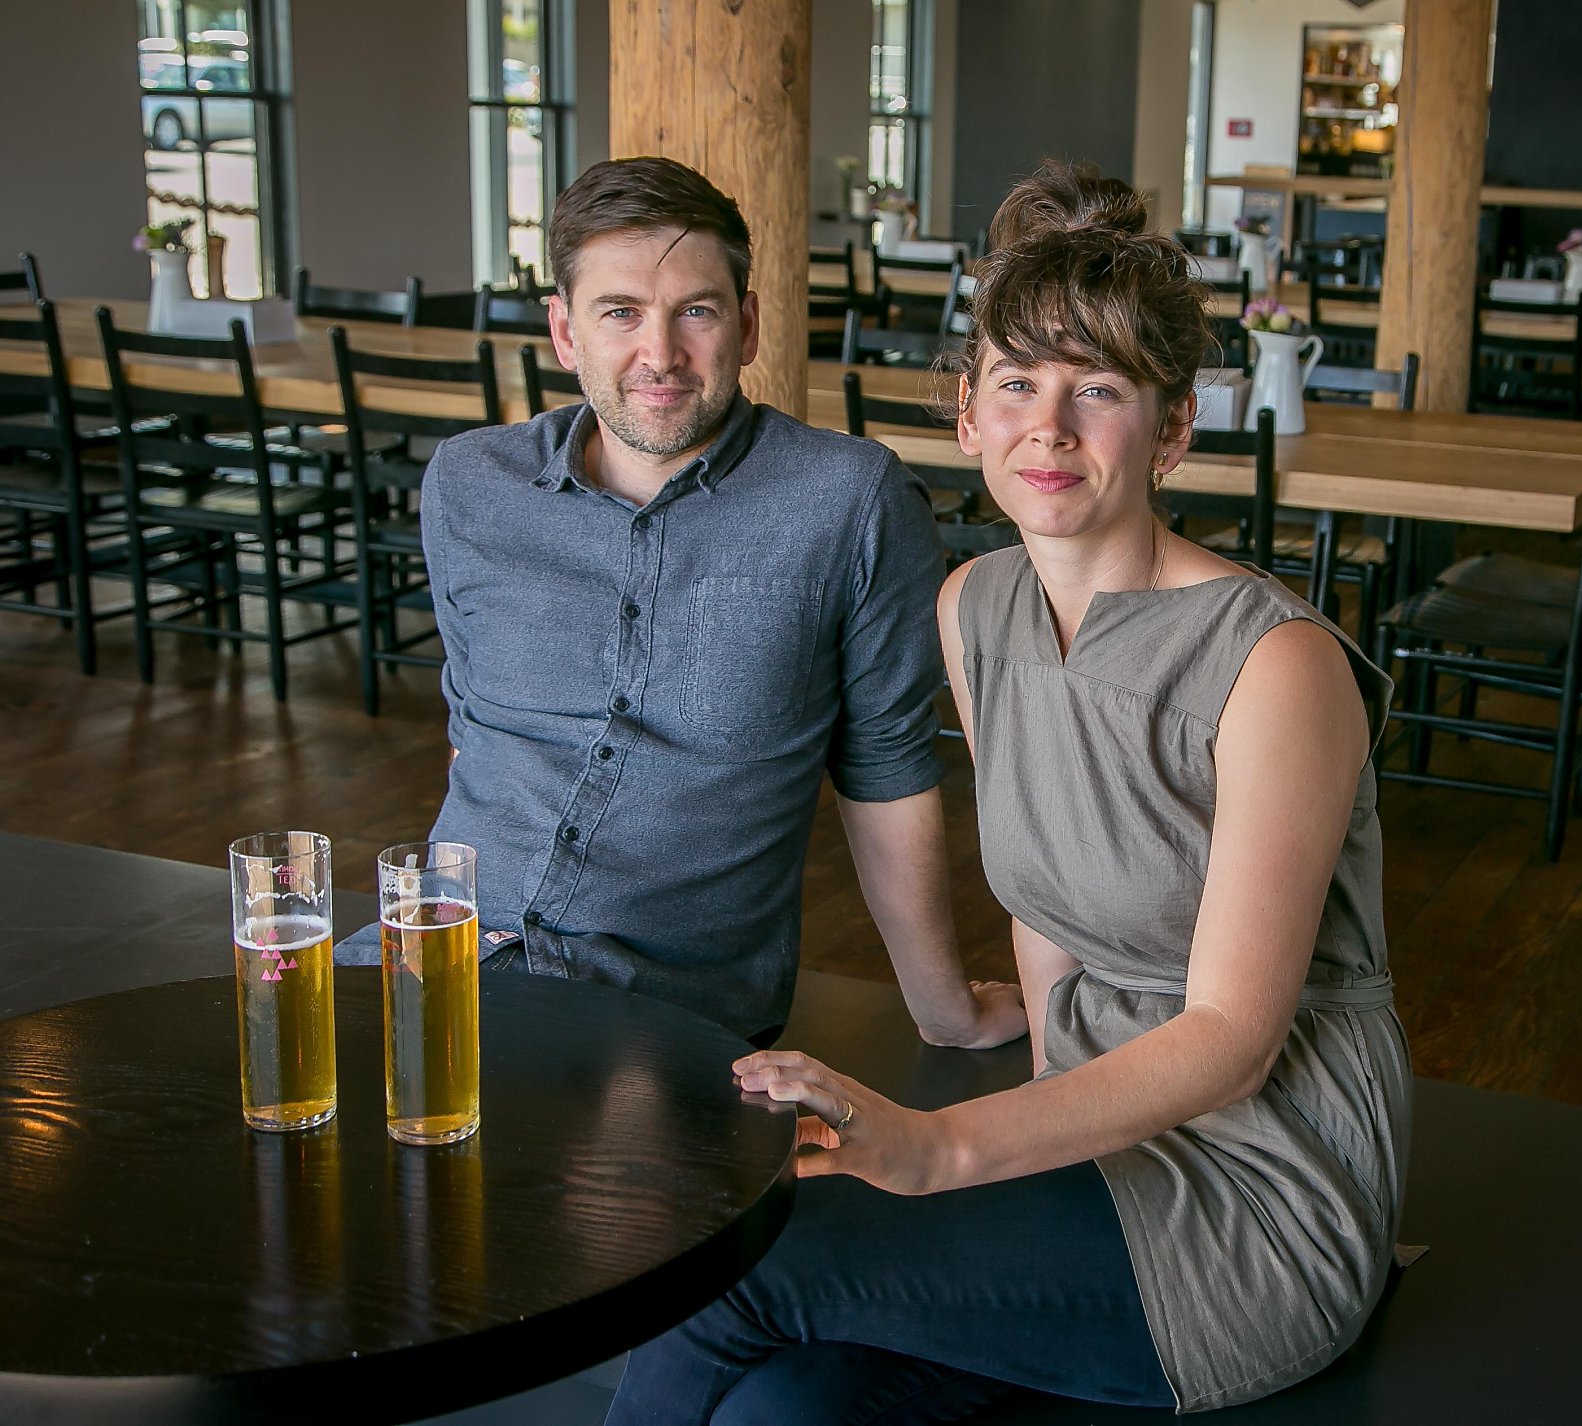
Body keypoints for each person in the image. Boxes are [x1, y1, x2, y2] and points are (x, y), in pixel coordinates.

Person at [604, 162, 1411, 1422]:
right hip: (1084, 1143)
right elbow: (1045, 905)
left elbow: (1231, 1043)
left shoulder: (1275, 664)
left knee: (725, 1272)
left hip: (1253, 1198)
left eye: (1098, 390)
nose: (1051, 426)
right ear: (967, 415)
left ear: (1173, 427)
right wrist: (1025, 1122)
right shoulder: (974, 607)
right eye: (1018, 384)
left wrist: (944, 1150)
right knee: (786, 1408)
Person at [394, 156, 1022, 1053]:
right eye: (620, 314)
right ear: (565, 333)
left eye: (696, 310)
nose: (661, 356)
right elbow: (474, 726)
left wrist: (944, 1009)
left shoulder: (852, 502)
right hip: (426, 953)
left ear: (749, 324)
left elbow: (886, 768)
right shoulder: (467, 483)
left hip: (663, 1009)